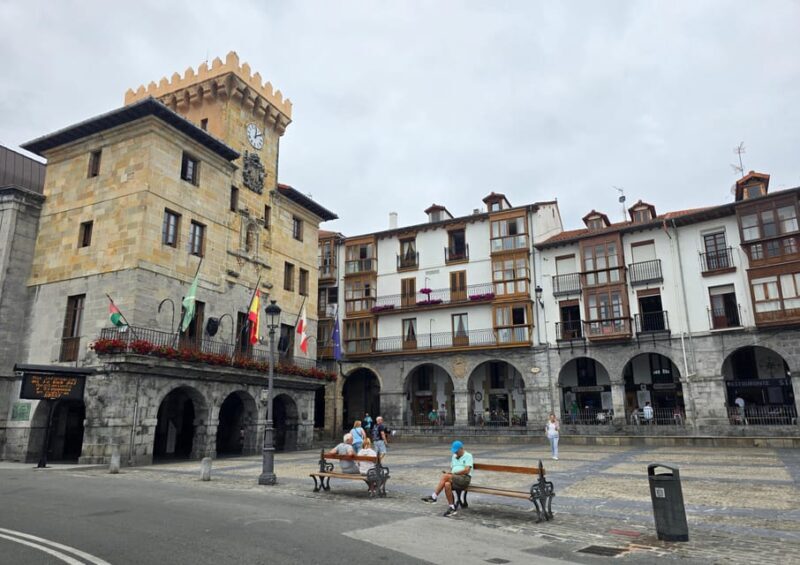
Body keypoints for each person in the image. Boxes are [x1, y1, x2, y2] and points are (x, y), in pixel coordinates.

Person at [421, 440, 473, 517]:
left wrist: (452, 474)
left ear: (461, 449)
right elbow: (452, 469)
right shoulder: (454, 457)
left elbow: (466, 470)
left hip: (464, 479)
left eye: (456, 451)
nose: (455, 453)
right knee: (447, 484)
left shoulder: (468, 456)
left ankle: (434, 497)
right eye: (454, 451)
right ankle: (452, 508)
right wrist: (449, 473)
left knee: (446, 477)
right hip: (455, 478)